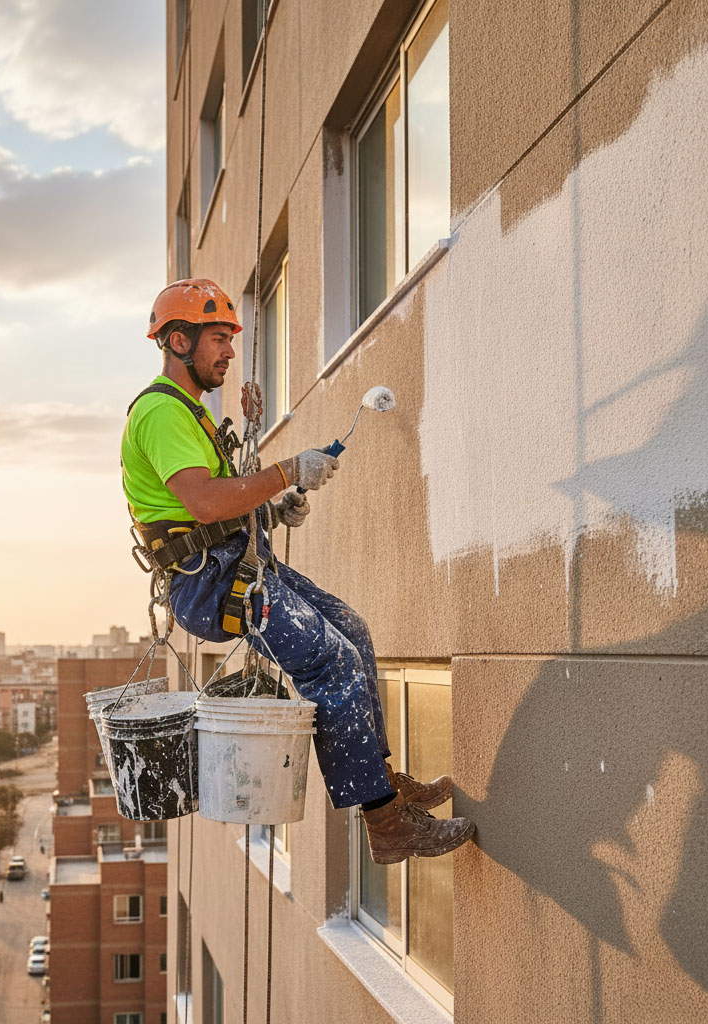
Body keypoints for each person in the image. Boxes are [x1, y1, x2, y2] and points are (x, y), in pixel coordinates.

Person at [121, 278, 476, 864]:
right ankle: (386, 823)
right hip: (210, 581)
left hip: (234, 561)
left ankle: (383, 781)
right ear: (178, 341)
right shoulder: (161, 412)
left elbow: (214, 504)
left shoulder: (191, 414)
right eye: (218, 339)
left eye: (230, 339)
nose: (229, 352)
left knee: (351, 630)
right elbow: (204, 504)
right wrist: (287, 472)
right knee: (329, 661)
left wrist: (270, 507)